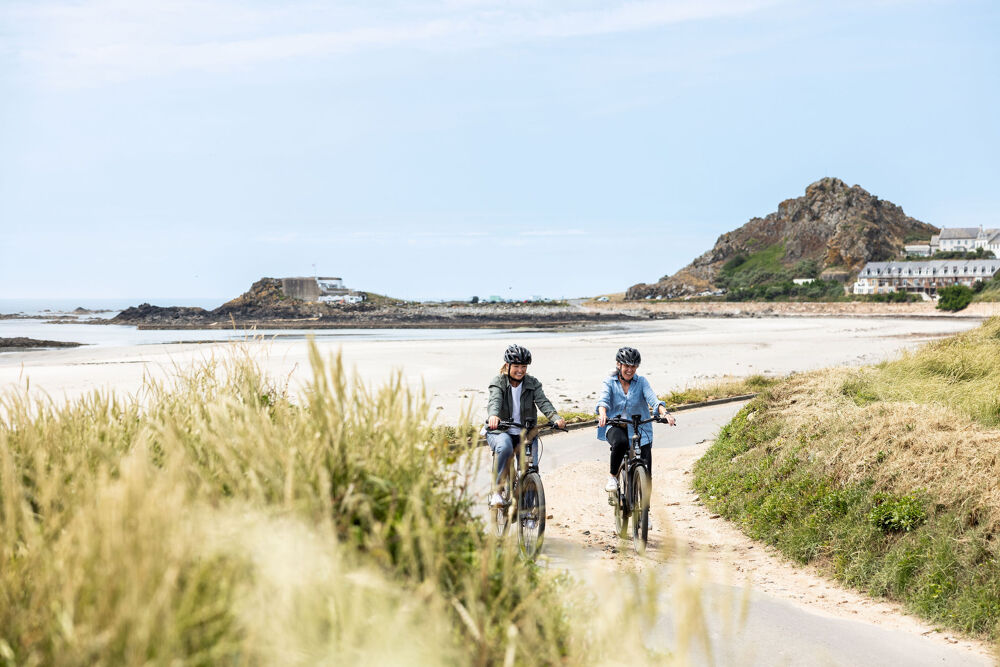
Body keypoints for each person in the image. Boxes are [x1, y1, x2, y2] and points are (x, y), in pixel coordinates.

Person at [486, 344, 566, 507]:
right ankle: (496, 492)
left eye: (524, 366)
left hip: (526, 432)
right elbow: (495, 400)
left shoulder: (532, 383)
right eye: (516, 366)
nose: (520, 370)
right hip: (501, 430)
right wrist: (494, 416)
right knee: (505, 447)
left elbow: (543, 401)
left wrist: (555, 417)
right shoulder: (498, 382)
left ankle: (529, 512)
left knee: (530, 468)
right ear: (507, 366)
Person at [596, 346, 675, 493]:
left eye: (633, 366)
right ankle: (613, 477)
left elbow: (653, 400)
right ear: (619, 365)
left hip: (640, 427)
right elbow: (603, 401)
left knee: (646, 472)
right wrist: (602, 414)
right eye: (626, 365)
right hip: (615, 425)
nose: (630, 370)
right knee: (620, 443)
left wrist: (665, 413)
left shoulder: (642, 382)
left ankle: (645, 512)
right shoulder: (610, 382)